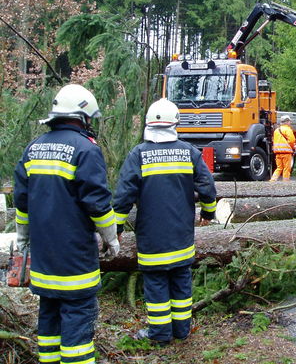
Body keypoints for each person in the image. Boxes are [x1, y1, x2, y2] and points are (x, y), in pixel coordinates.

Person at [13, 84, 119, 364]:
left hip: (44, 260)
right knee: (77, 325)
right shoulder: (85, 149)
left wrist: (22, 240)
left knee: (49, 317)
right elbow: (97, 204)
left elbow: (21, 203)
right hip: (75, 260)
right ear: (82, 116)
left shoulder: (33, 148)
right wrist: (111, 238)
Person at [113, 98, 217, 345]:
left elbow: (124, 195)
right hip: (181, 233)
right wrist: (208, 214)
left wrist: (116, 227)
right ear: (175, 123)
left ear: (149, 124)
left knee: (156, 285)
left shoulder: (138, 154)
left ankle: (160, 334)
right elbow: (207, 185)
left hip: (151, 237)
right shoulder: (189, 152)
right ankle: (182, 331)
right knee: (181, 283)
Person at [270, 115, 296, 181]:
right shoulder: (288, 130)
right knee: (286, 168)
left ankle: (272, 180)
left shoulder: (276, 130)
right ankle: (285, 182)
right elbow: (292, 140)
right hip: (286, 152)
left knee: (279, 168)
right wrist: (293, 147)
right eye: (290, 121)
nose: (290, 122)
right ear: (287, 122)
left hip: (278, 153)